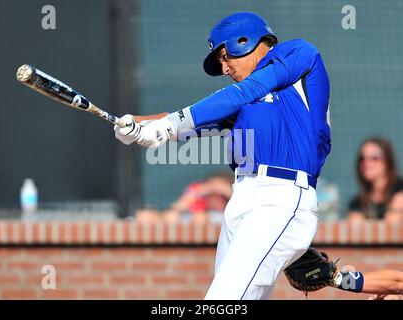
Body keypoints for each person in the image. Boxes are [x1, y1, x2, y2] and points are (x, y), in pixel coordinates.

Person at [114, 12, 331, 299]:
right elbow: (183, 124)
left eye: (225, 57)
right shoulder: (245, 102)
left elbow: (244, 92)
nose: (225, 68)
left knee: (222, 300)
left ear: (245, 40)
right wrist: (135, 125)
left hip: (281, 195)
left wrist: (170, 124)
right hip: (241, 199)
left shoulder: (296, 53)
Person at [348, 137, 403, 223]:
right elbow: (354, 228)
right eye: (362, 158)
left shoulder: (400, 190)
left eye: (374, 158)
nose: (366, 163)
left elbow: (391, 226)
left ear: (387, 161)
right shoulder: (357, 202)